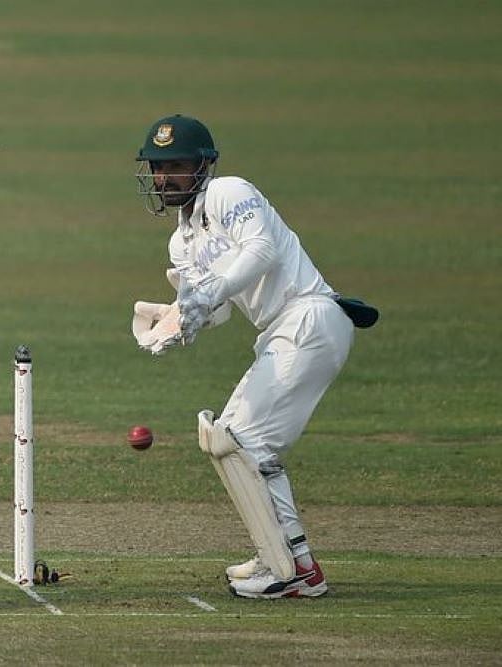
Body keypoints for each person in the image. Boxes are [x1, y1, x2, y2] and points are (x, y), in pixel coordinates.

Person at [130, 115, 377, 599]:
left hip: (308, 317)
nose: (164, 178)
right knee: (229, 441)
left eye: (176, 165)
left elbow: (261, 250)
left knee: (243, 444)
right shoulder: (180, 242)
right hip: (283, 331)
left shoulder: (229, 192)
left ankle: (284, 571)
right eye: (157, 167)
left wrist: (209, 293)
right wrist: (175, 320)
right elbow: (215, 308)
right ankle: (290, 560)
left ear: (204, 165)